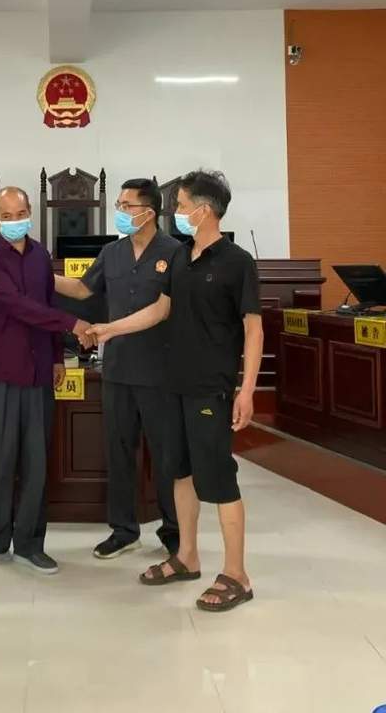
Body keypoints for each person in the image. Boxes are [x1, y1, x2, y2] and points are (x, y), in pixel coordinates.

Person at [89, 170, 263, 612]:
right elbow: (159, 310)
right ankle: (186, 556)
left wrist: (247, 390)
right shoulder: (180, 256)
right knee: (179, 473)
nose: (177, 212)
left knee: (218, 479)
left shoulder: (237, 261)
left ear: (204, 210)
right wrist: (111, 329)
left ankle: (237, 574)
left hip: (211, 388)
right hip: (173, 385)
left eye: (182, 205)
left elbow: (253, 328)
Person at [0, 187, 92, 574]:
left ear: (30, 212)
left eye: (21, 213)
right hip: (0, 372)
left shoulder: (40, 255)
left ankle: (30, 544)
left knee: (37, 462)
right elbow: (17, 306)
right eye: (7, 215)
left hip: (39, 372)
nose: (15, 220)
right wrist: (73, 324)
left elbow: (48, 305)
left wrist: (56, 356)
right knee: (0, 460)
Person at [55, 178, 181, 559]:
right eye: (120, 205)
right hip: (118, 369)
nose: (121, 212)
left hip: (161, 371)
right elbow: (82, 290)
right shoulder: (112, 252)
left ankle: (175, 531)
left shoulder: (175, 252)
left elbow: (166, 309)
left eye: (128, 206)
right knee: (119, 451)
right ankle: (124, 530)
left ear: (149, 212)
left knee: (166, 455)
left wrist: (109, 329)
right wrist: (38, 275)